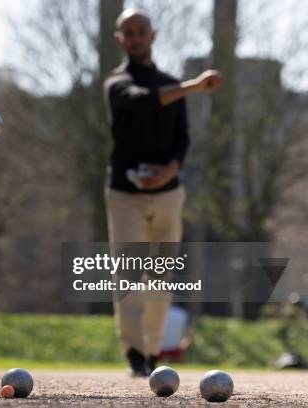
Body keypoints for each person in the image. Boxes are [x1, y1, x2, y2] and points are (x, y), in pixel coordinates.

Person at [103, 9, 222, 377]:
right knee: (130, 272)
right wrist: (194, 85)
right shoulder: (117, 84)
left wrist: (169, 171)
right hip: (125, 195)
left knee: (160, 275)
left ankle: (154, 349)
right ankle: (135, 353)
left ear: (153, 35)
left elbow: (182, 138)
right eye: (129, 32)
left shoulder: (170, 82)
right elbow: (143, 100)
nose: (136, 37)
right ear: (119, 38)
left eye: (142, 30)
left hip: (169, 194)